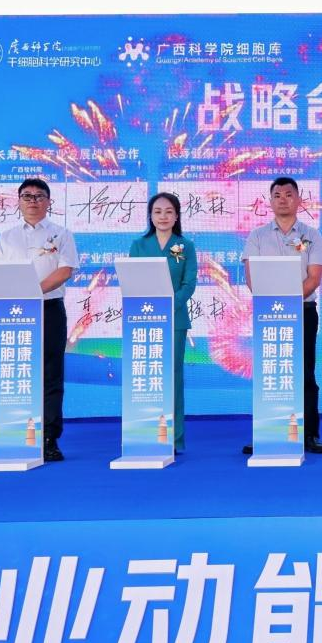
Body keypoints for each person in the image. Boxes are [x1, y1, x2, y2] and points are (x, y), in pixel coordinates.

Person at [242, 177, 322, 454]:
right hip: (269, 315)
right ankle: (267, 432)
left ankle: (310, 434)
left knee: (305, 373)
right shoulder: (257, 236)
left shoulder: (311, 234)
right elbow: (252, 279)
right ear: (270, 201)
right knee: (271, 371)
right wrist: (276, 304)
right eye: (277, 195)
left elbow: (314, 278)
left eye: (288, 194)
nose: (283, 199)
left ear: (299, 200)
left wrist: (288, 302)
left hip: (303, 312)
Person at [0, 178, 78, 462]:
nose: (33, 201)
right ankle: (16, 433)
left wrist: (33, 290)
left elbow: (66, 270)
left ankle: (49, 438)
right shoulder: (7, 237)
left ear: (48, 202)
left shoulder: (61, 234)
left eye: (39, 196)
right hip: (15, 312)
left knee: (51, 373)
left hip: (49, 308)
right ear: (18, 201)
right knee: (18, 371)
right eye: (27, 196)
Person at [128, 191, 197, 453]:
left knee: (173, 377)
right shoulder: (139, 245)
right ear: (150, 216)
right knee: (146, 377)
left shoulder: (185, 245)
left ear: (177, 216)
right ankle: (144, 434)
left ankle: (174, 439)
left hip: (175, 319)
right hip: (144, 320)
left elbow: (189, 284)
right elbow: (133, 280)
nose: (163, 216)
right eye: (157, 212)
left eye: (169, 212)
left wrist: (169, 305)